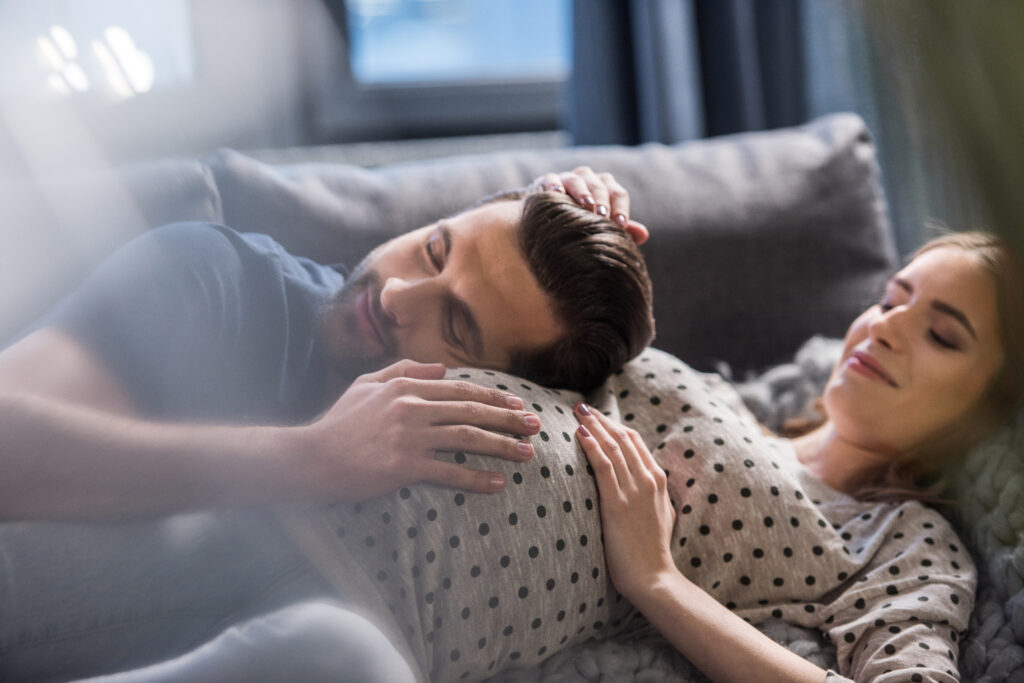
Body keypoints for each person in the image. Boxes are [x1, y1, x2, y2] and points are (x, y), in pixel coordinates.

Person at [0, 170, 654, 681]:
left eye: (454, 325)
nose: (396, 296)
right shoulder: (217, 279)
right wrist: (307, 458)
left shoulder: (470, 485)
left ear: (502, 388)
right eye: (432, 250)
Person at [572, 231, 1024, 682]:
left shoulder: (902, 542)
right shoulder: (727, 402)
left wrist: (656, 581)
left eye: (941, 336)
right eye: (889, 302)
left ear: (990, 410)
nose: (885, 328)